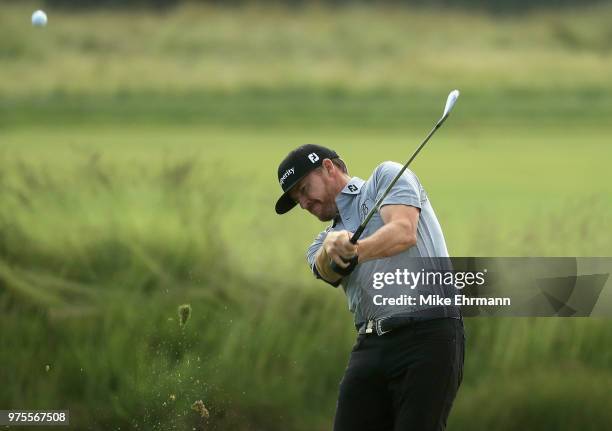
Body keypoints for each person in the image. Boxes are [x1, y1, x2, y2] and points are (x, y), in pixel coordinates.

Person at [275, 144, 465, 431]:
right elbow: (326, 269)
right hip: (371, 344)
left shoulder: (385, 178)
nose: (303, 204)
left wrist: (355, 249)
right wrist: (331, 247)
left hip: (429, 334)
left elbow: (403, 232)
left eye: (304, 189)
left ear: (328, 168)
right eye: (296, 199)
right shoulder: (321, 241)